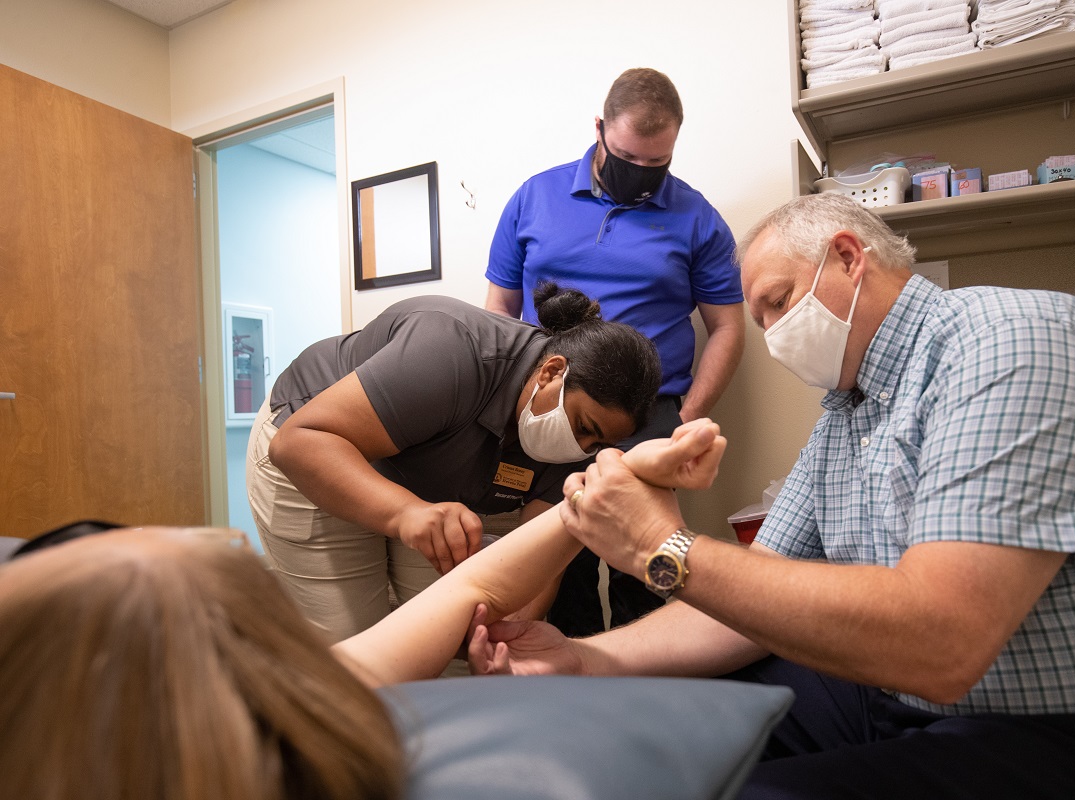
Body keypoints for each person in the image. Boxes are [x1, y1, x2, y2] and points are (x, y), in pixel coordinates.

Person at [469, 193, 1075, 799]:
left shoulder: (1011, 345)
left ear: (849, 257)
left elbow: (941, 642)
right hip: (902, 694)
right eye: (759, 322)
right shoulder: (847, 414)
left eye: (778, 303)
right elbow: (747, 610)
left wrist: (661, 547)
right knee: (653, 743)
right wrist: (585, 660)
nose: (776, 336)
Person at [0, 421, 726, 800]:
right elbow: (458, 596)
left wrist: (601, 489)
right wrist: (609, 487)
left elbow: (459, 592)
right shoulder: (257, 713)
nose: (211, 532)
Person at [484, 67, 746, 637]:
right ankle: (567, 686)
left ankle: (643, 696)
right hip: (550, 407)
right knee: (555, 560)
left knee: (646, 570)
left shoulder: (696, 217)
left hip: (648, 416)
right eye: (630, 157)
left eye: (659, 163)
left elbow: (727, 327)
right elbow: (496, 312)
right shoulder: (534, 197)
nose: (643, 175)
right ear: (600, 129)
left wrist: (687, 414)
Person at [247, 282, 660, 642]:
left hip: (431, 480)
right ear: (552, 372)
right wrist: (405, 512)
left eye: (598, 443)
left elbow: (542, 552)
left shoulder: (583, 442)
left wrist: (516, 617)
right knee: (355, 644)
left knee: (452, 636)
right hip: (318, 445)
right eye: (583, 426)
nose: (581, 447)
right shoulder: (453, 349)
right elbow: (298, 443)